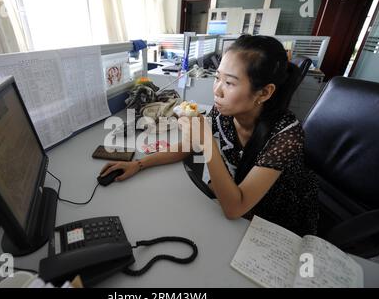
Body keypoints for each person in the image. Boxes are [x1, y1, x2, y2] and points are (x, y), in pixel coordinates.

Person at [100, 35, 319, 236]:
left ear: (264, 92)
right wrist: (139, 164)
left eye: (230, 83)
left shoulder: (287, 134)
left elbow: (235, 209)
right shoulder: (223, 111)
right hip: (237, 199)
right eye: (217, 78)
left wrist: (205, 141)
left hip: (276, 219)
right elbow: (185, 148)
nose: (217, 90)